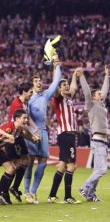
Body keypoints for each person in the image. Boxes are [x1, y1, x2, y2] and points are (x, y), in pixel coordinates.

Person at [0, 109, 39, 205]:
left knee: (11, 168)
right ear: (17, 119)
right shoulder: (9, 127)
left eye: (27, 118)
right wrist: (8, 141)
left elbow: (24, 136)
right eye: (24, 118)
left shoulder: (18, 130)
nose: (26, 120)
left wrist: (34, 139)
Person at [24, 56, 61, 204]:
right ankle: (26, 192)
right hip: (32, 132)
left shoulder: (45, 95)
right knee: (30, 161)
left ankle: (33, 192)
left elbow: (56, 81)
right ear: (32, 85)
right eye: (36, 81)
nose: (39, 83)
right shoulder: (28, 99)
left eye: (40, 81)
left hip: (43, 131)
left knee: (43, 162)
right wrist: (31, 131)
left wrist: (56, 65)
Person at [48, 69, 82, 204]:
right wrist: (56, 75)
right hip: (66, 135)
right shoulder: (58, 98)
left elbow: (73, 88)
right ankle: (68, 197)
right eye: (64, 85)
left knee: (62, 165)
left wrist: (74, 75)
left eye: (67, 84)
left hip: (68, 136)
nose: (67, 86)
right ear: (59, 88)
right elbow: (56, 89)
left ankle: (52, 195)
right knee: (72, 166)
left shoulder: (68, 98)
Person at [79, 66, 109, 202]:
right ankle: (85, 187)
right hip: (98, 140)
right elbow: (86, 92)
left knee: (97, 169)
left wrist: (107, 76)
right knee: (102, 169)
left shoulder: (101, 106)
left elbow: (105, 91)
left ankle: (91, 194)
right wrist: (81, 77)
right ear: (93, 97)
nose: (101, 96)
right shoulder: (91, 105)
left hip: (103, 141)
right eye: (98, 95)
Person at [6, 82, 37, 202]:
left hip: (18, 135)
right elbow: (22, 124)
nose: (32, 94)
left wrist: (34, 130)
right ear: (24, 92)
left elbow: (26, 121)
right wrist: (32, 136)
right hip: (13, 136)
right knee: (15, 164)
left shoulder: (23, 103)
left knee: (25, 160)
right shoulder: (17, 104)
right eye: (30, 92)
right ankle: (4, 190)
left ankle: (14, 187)